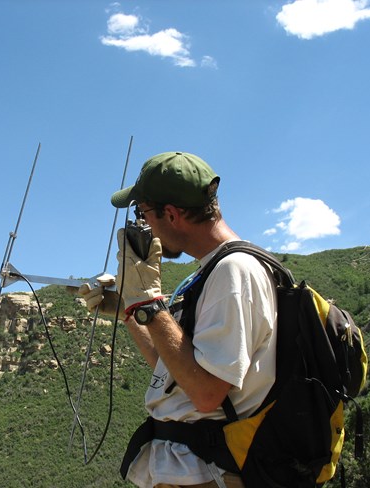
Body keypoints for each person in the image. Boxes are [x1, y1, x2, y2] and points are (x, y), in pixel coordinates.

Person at [79, 152, 278, 488]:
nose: (143, 225)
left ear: (170, 214)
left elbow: (205, 393)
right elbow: (172, 367)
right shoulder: (211, 273)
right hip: (191, 469)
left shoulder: (234, 272)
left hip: (209, 473)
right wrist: (131, 310)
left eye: (142, 214)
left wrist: (149, 302)